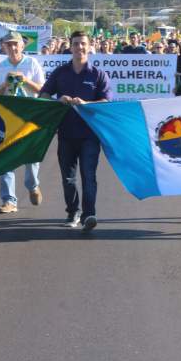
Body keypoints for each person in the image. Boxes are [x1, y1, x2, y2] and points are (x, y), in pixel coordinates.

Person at [39, 31, 111, 232]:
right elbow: (43, 94)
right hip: (66, 134)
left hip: (90, 135)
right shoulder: (60, 72)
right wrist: (56, 100)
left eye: (83, 44)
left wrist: (87, 103)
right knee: (68, 178)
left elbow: (106, 103)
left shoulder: (98, 74)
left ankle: (89, 214)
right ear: (70, 47)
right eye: (76, 44)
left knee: (89, 175)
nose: (80, 47)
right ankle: (73, 211)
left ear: (89, 46)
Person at [0, 30, 46, 214]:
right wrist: (5, 85)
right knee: (5, 157)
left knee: (31, 158)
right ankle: (9, 200)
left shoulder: (32, 63)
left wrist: (26, 80)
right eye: (9, 44)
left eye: (16, 44)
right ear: (4, 47)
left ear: (22, 46)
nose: (13, 47)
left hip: (29, 117)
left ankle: (33, 185)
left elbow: (42, 90)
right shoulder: (0, 66)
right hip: (7, 116)